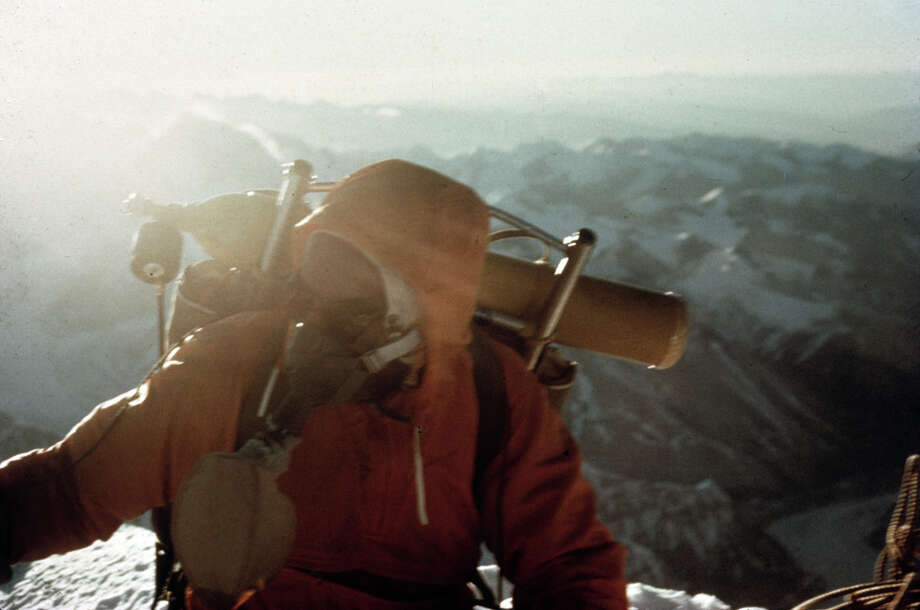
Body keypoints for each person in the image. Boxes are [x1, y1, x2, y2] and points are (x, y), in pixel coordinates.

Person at [0, 159, 627, 609]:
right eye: (323, 263)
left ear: (428, 301)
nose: (326, 299)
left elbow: (567, 565)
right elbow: (70, 489)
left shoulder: (492, 390)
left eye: (357, 274)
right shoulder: (236, 361)